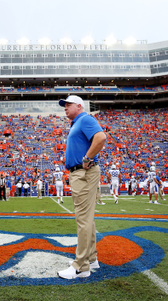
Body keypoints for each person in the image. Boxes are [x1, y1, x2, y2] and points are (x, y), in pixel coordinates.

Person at [57, 95, 106, 280]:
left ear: (79, 106)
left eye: (68, 104)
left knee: (83, 219)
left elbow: (101, 138)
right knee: (87, 218)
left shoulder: (85, 119)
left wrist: (87, 158)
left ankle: (81, 266)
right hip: (81, 172)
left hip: (83, 172)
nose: (65, 108)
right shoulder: (77, 122)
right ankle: (91, 259)